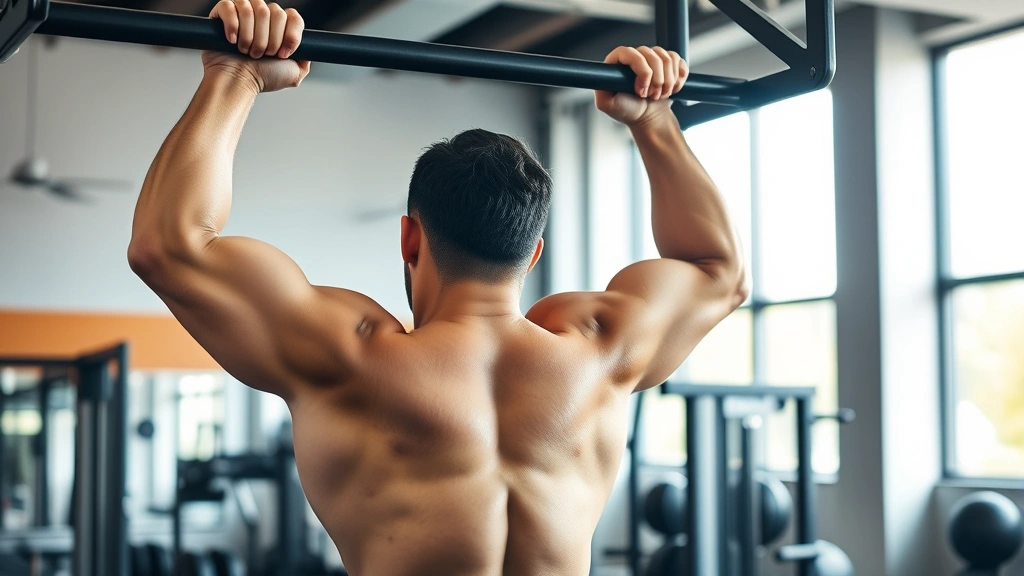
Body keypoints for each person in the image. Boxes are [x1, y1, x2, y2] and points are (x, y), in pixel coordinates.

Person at [128, 1, 749, 574]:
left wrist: (234, 76)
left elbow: (170, 244)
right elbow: (716, 268)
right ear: (532, 253)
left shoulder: (350, 356)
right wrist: (655, 119)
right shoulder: (601, 351)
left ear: (410, 240)